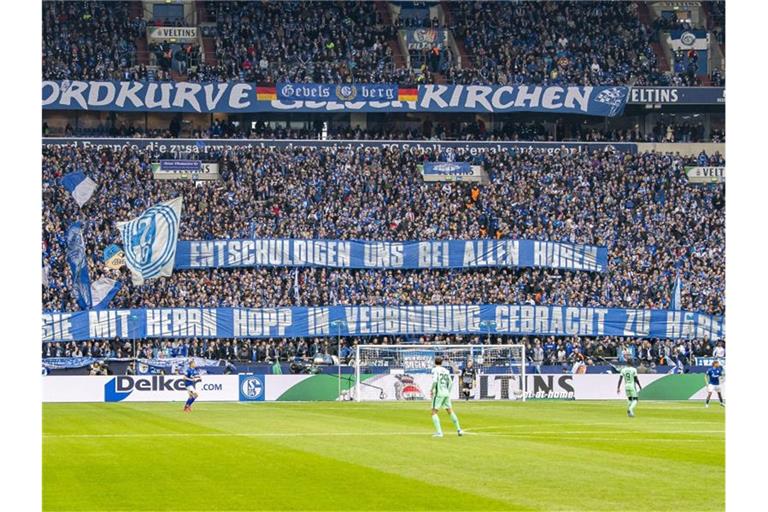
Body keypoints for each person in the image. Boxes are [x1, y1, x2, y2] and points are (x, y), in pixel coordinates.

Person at [430, 356, 463, 437]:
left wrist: (431, 390)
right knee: (450, 411)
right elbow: (451, 382)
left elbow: (434, 381)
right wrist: (448, 391)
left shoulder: (434, 370)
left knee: (434, 412)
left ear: (435, 362)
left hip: (438, 393)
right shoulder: (446, 371)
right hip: (446, 393)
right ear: (442, 363)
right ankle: (459, 430)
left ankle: (439, 432)